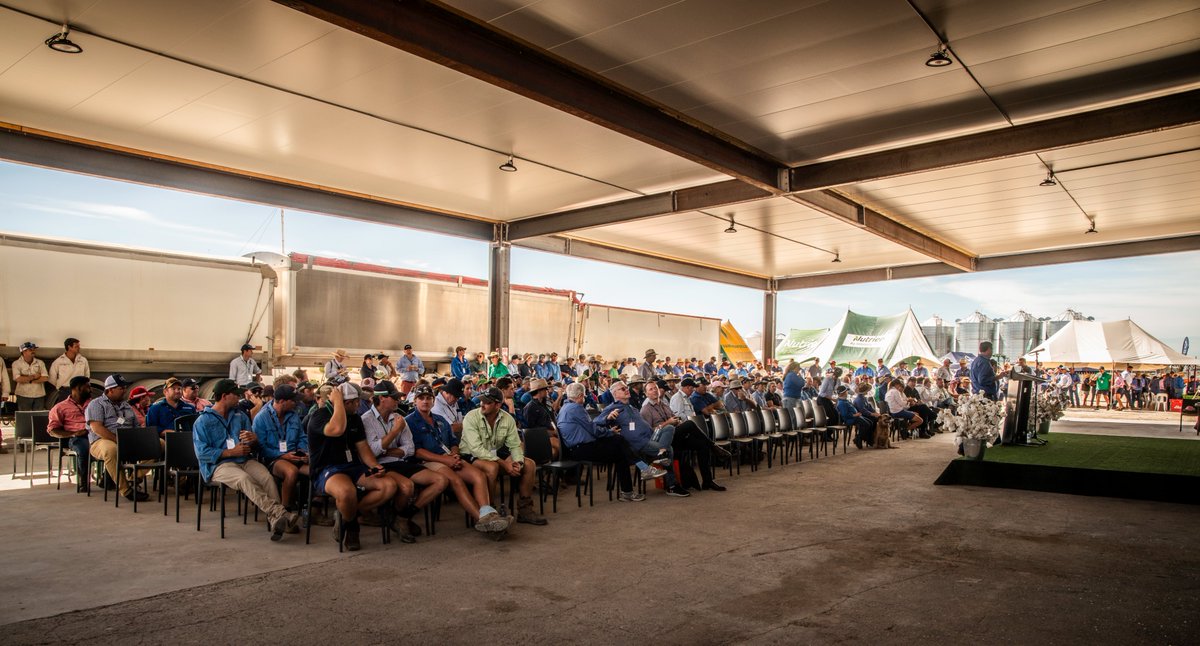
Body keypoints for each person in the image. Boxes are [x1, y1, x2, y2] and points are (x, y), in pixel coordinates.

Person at [194, 379, 301, 542]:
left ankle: (276, 521)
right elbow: (202, 453)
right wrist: (229, 452)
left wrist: (253, 440)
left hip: (244, 459)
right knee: (244, 479)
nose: (240, 397)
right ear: (224, 396)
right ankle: (280, 513)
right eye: (236, 395)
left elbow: (253, 444)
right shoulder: (202, 421)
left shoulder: (240, 415)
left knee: (266, 477)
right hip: (219, 465)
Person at [407, 382, 510, 534]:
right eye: (421, 398)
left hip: (449, 458)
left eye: (428, 397)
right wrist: (446, 460)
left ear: (433, 400)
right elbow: (417, 452)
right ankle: (483, 521)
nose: (425, 401)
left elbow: (454, 442)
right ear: (415, 400)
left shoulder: (440, 420)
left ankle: (488, 513)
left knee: (479, 476)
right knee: (456, 480)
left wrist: (454, 454)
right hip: (427, 462)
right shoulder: (409, 421)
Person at [307, 381, 399, 551]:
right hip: (328, 468)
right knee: (347, 492)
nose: (359, 405)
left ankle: (347, 515)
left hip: (353, 466)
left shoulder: (355, 418)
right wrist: (338, 404)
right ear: (346, 403)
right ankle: (352, 527)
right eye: (356, 401)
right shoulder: (319, 416)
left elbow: (362, 446)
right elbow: (337, 429)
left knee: (388, 485)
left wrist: (374, 465)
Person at [362, 382, 448, 542]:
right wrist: (394, 432)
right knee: (407, 487)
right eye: (394, 398)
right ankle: (398, 519)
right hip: (380, 466)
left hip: (400, 461)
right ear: (381, 398)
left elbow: (409, 448)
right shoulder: (366, 420)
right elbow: (372, 453)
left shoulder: (398, 417)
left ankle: (402, 517)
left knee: (441, 480)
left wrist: (386, 449)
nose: (398, 401)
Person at [459, 387, 547, 526]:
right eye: (482, 401)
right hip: (470, 455)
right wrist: (504, 463)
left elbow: (515, 445)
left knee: (529, 464)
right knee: (492, 467)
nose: (482, 404)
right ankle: (490, 511)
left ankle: (525, 510)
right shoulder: (471, 417)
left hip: (493, 454)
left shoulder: (507, 418)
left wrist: (518, 462)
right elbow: (476, 449)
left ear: (498, 405)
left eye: (487, 402)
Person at [557, 382, 645, 501]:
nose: (585, 398)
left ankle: (637, 477)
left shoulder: (564, 407)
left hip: (576, 448)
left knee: (619, 444)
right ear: (579, 396)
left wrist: (608, 430)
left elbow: (591, 427)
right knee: (620, 448)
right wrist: (610, 432)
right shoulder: (576, 408)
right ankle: (640, 472)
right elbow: (593, 430)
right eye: (584, 396)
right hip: (582, 449)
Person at [641, 380, 725, 492]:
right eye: (651, 389)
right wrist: (668, 423)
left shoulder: (664, 405)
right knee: (690, 424)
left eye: (655, 388)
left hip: (675, 435)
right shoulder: (646, 409)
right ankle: (714, 446)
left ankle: (707, 481)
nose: (655, 390)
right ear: (646, 394)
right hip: (662, 441)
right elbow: (650, 432)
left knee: (702, 445)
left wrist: (677, 421)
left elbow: (674, 417)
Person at [85, 375, 145, 501]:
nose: (124, 390)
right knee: (111, 450)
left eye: (124, 387)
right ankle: (126, 490)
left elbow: (136, 426)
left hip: (128, 439)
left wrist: (142, 438)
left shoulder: (127, 406)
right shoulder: (96, 404)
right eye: (121, 388)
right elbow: (97, 428)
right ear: (110, 390)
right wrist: (118, 440)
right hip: (102, 440)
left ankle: (133, 479)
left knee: (160, 445)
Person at [252, 383, 308, 513]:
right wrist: (282, 455)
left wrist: (304, 452)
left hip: (294, 455)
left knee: (315, 469)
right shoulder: (262, 418)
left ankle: (309, 507)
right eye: (293, 401)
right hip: (273, 459)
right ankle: (284, 511)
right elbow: (261, 448)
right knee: (291, 472)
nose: (296, 403)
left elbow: (302, 437)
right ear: (282, 401)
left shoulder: (293, 415)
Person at [47, 375, 93, 491]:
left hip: (95, 435)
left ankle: (107, 480)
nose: (90, 390)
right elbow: (52, 430)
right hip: (77, 438)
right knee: (84, 448)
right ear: (78, 388)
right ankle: (83, 482)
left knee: (113, 446)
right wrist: (73, 434)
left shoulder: (94, 404)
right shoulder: (60, 407)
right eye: (87, 387)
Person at [48, 337, 90, 406]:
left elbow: (87, 375)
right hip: (65, 391)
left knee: (79, 410)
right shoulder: (59, 361)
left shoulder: (83, 360)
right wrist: (61, 387)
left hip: (79, 391)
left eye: (79, 346)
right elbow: (52, 379)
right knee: (64, 411)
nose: (79, 348)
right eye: (76, 346)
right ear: (69, 347)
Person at [12, 341, 49, 412]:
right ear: (23, 351)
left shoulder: (40, 362)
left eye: (34, 349)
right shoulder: (16, 363)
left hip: (39, 395)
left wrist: (28, 379)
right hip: (23, 395)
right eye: (30, 350)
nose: (33, 351)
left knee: (38, 417)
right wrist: (35, 377)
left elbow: (45, 378)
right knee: (24, 417)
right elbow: (18, 379)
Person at [835, 386, 873, 450]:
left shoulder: (844, 400)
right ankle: (858, 439)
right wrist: (855, 415)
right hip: (850, 419)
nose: (847, 392)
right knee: (867, 424)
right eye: (846, 391)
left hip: (856, 416)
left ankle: (860, 438)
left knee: (870, 422)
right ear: (843, 393)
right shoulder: (841, 403)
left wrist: (857, 413)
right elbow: (845, 414)